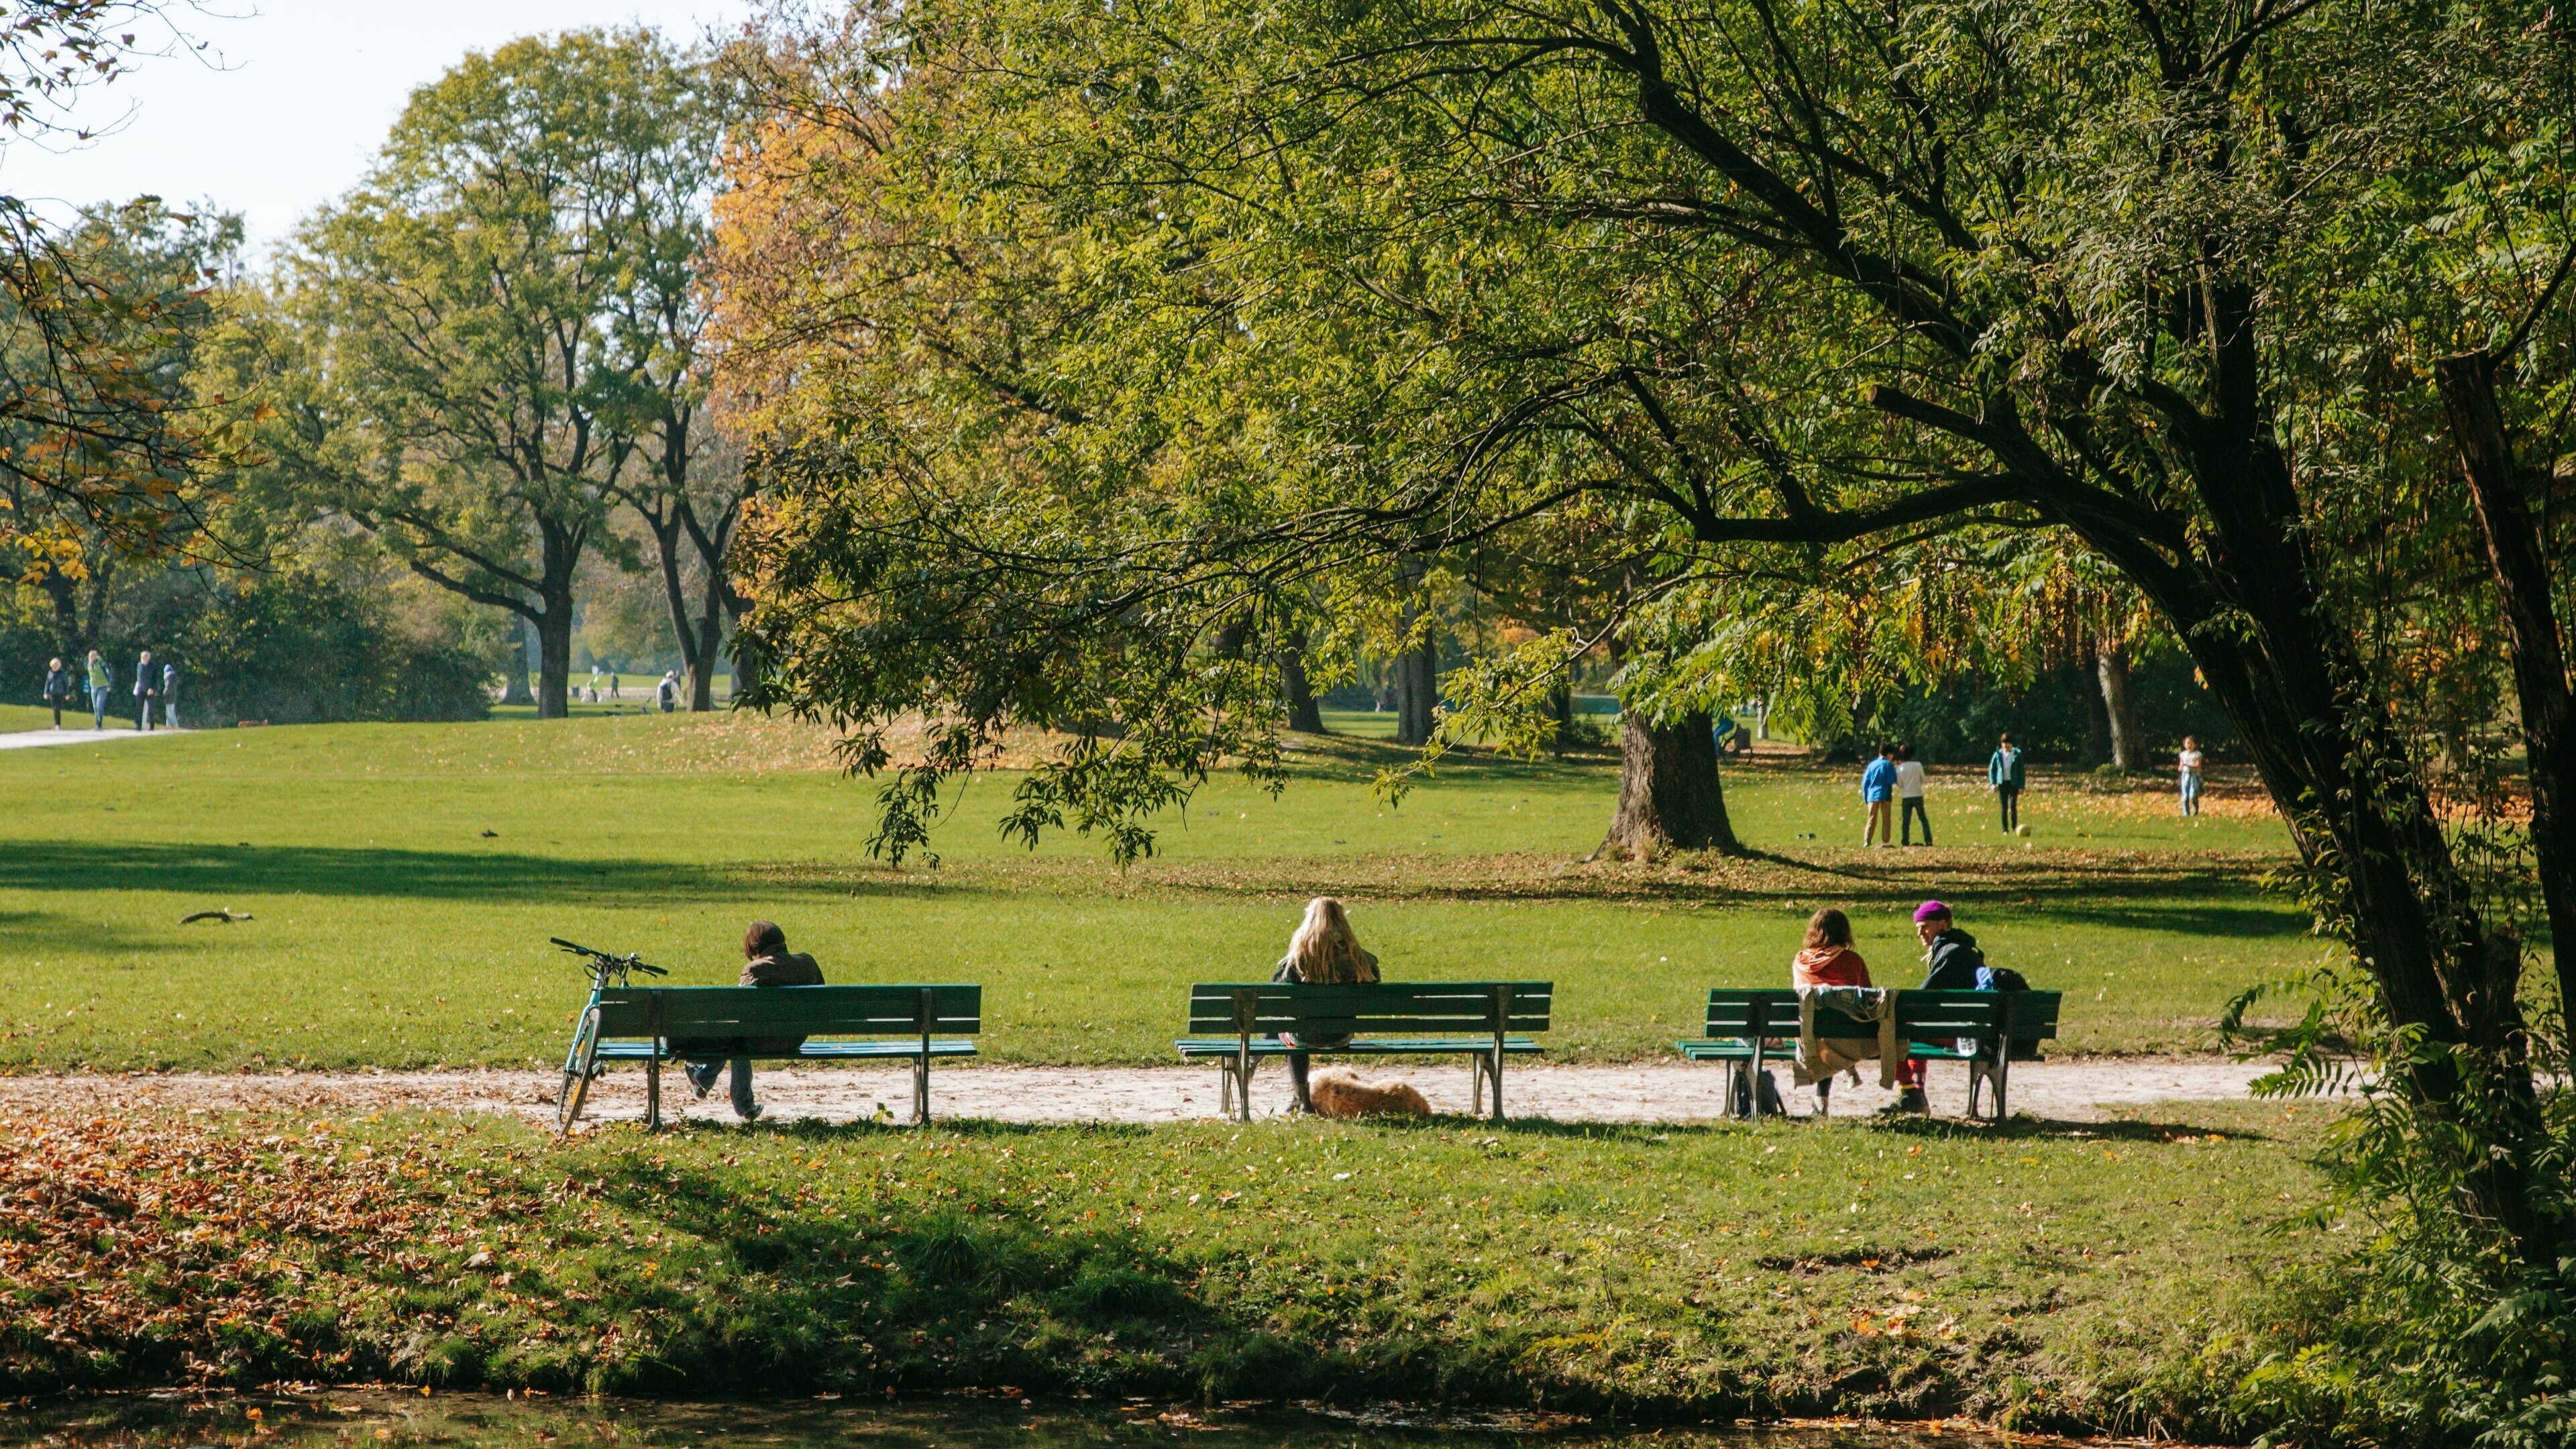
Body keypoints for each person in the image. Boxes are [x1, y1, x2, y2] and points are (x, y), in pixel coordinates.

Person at [683, 920, 826, 1122]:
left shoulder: (755, 970)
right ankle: (706, 1080)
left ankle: (719, 1087)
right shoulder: (807, 963)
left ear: (754, 947)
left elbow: (737, 1011)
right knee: (741, 1034)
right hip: (796, 1038)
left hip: (762, 1040)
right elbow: (822, 999)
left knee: (739, 1037)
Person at [1274, 896, 1380, 1113]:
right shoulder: (1359, 958)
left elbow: (1275, 994)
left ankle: (1301, 1100)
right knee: (1291, 1023)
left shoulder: (1297, 959)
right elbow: (1376, 984)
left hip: (1304, 1036)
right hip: (1341, 1034)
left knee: (1286, 1023)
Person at [1790, 907, 1875, 1114]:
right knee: (1838, 1029)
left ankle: (1822, 1100)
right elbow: (1868, 997)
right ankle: (1847, 1067)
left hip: (1810, 1035)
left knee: (1824, 1031)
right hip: (1849, 1035)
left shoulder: (1800, 961)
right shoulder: (1853, 960)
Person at [1860, 744, 1898, 847]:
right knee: (1886, 819)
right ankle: (1886, 841)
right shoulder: (1888, 765)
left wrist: (1866, 797)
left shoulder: (1872, 765)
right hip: (1885, 794)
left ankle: (1867, 840)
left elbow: (1865, 782)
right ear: (1889, 755)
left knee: (1872, 818)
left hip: (1872, 795)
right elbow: (1892, 779)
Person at [1988, 733, 2026, 831]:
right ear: (2002, 744)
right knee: (2004, 807)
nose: (2007, 746)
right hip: (2002, 783)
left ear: (2012, 744)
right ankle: (2005, 829)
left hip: (2014, 783)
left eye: (2009, 744)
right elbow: (1992, 770)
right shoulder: (1998, 754)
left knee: (2013, 805)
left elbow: (2021, 771)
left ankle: (2015, 827)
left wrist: (2021, 786)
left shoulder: (2017, 754)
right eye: (2005, 744)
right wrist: (1993, 784)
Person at [1895, 745, 1931, 845]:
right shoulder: (1918, 765)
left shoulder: (1899, 768)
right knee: (1922, 818)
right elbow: (1923, 779)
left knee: (1906, 820)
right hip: (1918, 794)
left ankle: (1905, 841)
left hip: (1906, 796)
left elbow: (1900, 784)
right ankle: (1928, 840)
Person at [42, 657, 71, 729]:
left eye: (56, 665)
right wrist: (46, 692)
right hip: (52, 693)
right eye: (53, 666)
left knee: (57, 708)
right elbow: (48, 683)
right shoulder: (50, 673)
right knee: (54, 708)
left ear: (59, 666)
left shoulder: (63, 673)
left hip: (60, 693)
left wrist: (67, 694)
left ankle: (57, 725)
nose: (54, 667)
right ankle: (57, 725)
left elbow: (66, 684)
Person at [2178, 736, 2204, 817]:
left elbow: (2198, 766)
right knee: (2185, 796)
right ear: (2184, 745)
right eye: (2187, 743)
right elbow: (2181, 765)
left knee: (2193, 795)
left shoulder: (2197, 754)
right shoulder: (2183, 755)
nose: (2189, 745)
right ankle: (2186, 813)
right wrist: (2181, 768)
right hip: (2185, 776)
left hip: (2194, 776)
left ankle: (2195, 811)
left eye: (2191, 743)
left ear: (2195, 745)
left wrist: (2189, 766)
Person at [84, 650, 111, 729]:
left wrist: (110, 684)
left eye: (94, 655)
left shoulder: (101, 663)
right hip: (93, 687)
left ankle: (99, 724)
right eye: (91, 656)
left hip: (103, 686)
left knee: (99, 705)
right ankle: (97, 724)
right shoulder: (89, 664)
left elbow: (108, 674)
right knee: (95, 706)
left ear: (97, 656)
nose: (93, 657)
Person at [131, 649, 157, 731]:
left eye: (145, 657)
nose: (143, 658)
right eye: (142, 657)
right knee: (139, 708)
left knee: (151, 709)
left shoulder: (152, 666)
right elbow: (138, 678)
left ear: (148, 658)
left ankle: (151, 726)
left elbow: (155, 679)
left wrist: (152, 688)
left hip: (150, 690)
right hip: (140, 689)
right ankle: (138, 726)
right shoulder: (139, 665)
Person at [160, 660, 179, 729]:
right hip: (173, 696)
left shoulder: (168, 676)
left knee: (170, 711)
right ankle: (168, 726)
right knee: (169, 711)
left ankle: (175, 725)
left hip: (169, 696)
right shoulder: (173, 676)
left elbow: (168, 687)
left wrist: (164, 693)